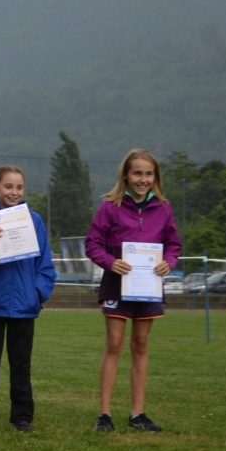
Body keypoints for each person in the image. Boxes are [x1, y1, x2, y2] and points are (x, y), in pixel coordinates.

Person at [85, 148, 181, 433]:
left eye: (149, 174)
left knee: (140, 345)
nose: (143, 179)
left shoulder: (163, 208)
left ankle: (137, 414)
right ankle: (104, 414)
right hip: (116, 287)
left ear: (155, 177)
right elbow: (92, 244)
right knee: (114, 344)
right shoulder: (109, 207)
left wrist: (169, 262)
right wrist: (110, 262)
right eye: (137, 173)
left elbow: (173, 245)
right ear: (125, 176)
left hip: (148, 288)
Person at [0, 166, 57, 432]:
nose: (14, 192)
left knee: (21, 364)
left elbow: (45, 264)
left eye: (19, 187)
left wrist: (37, 294)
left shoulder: (34, 221)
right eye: (8, 186)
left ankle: (22, 416)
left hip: (24, 305)